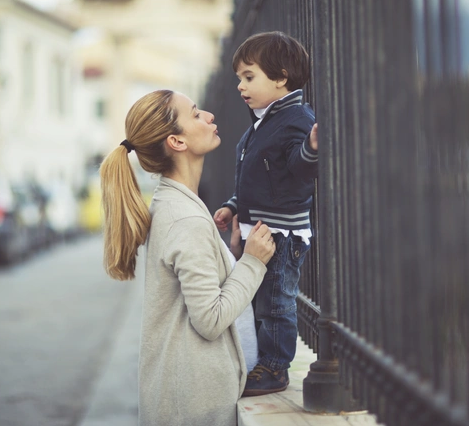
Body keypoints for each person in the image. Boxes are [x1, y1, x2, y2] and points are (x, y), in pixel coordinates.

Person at [99, 89, 276, 426]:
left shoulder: (176, 205)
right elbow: (209, 320)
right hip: (195, 407)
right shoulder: (185, 218)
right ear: (177, 142)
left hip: (187, 397)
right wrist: (253, 263)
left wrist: (233, 257)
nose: (209, 116)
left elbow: (195, 290)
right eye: (195, 114)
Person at [213, 31, 319, 397]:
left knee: (276, 301)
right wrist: (233, 205)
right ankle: (261, 360)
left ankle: (275, 368)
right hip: (259, 229)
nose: (241, 86)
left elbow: (299, 169)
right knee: (261, 301)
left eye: (249, 76)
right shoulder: (265, 120)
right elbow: (258, 177)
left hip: (281, 232)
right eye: (239, 78)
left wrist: (312, 148)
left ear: (281, 77)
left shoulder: (295, 119)